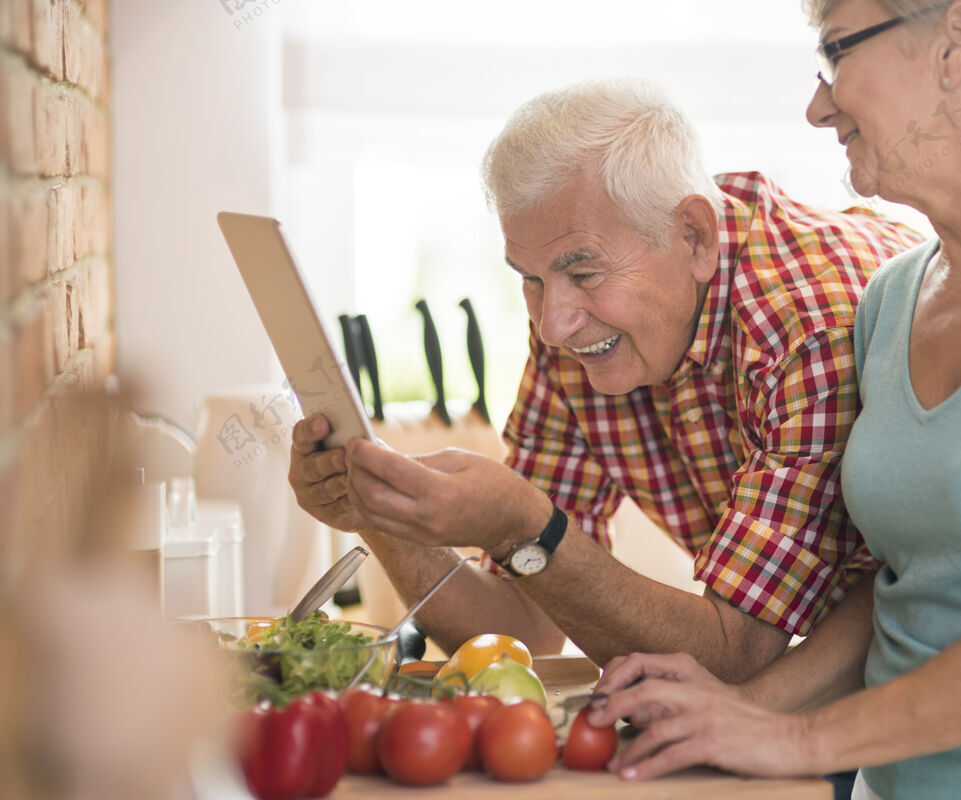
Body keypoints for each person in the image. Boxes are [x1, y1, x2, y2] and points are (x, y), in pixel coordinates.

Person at [588, 1, 961, 798]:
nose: (817, 103)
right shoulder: (893, 297)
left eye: (836, 51)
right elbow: (905, 586)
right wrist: (738, 709)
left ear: (959, 40)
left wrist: (798, 737)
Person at [288, 78, 921, 685]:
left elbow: (735, 655)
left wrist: (524, 525)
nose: (552, 327)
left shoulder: (807, 331)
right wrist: (377, 511)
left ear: (695, 236)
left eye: (584, 274)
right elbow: (518, 636)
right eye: (529, 279)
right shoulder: (577, 331)